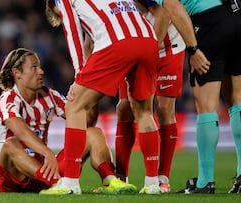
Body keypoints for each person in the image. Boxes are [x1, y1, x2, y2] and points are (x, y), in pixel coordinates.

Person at [42, 0, 163, 195]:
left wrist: (79, 73)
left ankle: (70, 182)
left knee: (74, 106)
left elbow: (73, 32)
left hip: (117, 42)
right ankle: (152, 184)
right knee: (143, 111)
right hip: (148, 38)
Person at [0, 47, 137, 194]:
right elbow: (20, 131)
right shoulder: (7, 99)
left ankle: (109, 180)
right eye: (34, 67)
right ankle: (58, 182)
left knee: (93, 133)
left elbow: (85, 123)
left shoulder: (50, 95)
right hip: (12, 178)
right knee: (10, 144)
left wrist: (91, 95)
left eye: (40, 67)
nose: (41, 71)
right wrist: (47, 152)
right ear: (17, 73)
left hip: (44, 170)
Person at [154, 0, 241, 194]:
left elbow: (173, 7)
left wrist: (192, 49)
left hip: (210, 24)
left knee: (206, 106)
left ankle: (204, 182)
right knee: (237, 101)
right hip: (236, 16)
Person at [115, 0, 185, 194]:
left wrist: (149, 53)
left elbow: (162, 14)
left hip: (166, 47)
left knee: (164, 110)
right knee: (124, 109)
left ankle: (162, 177)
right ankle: (120, 178)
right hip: (133, 47)